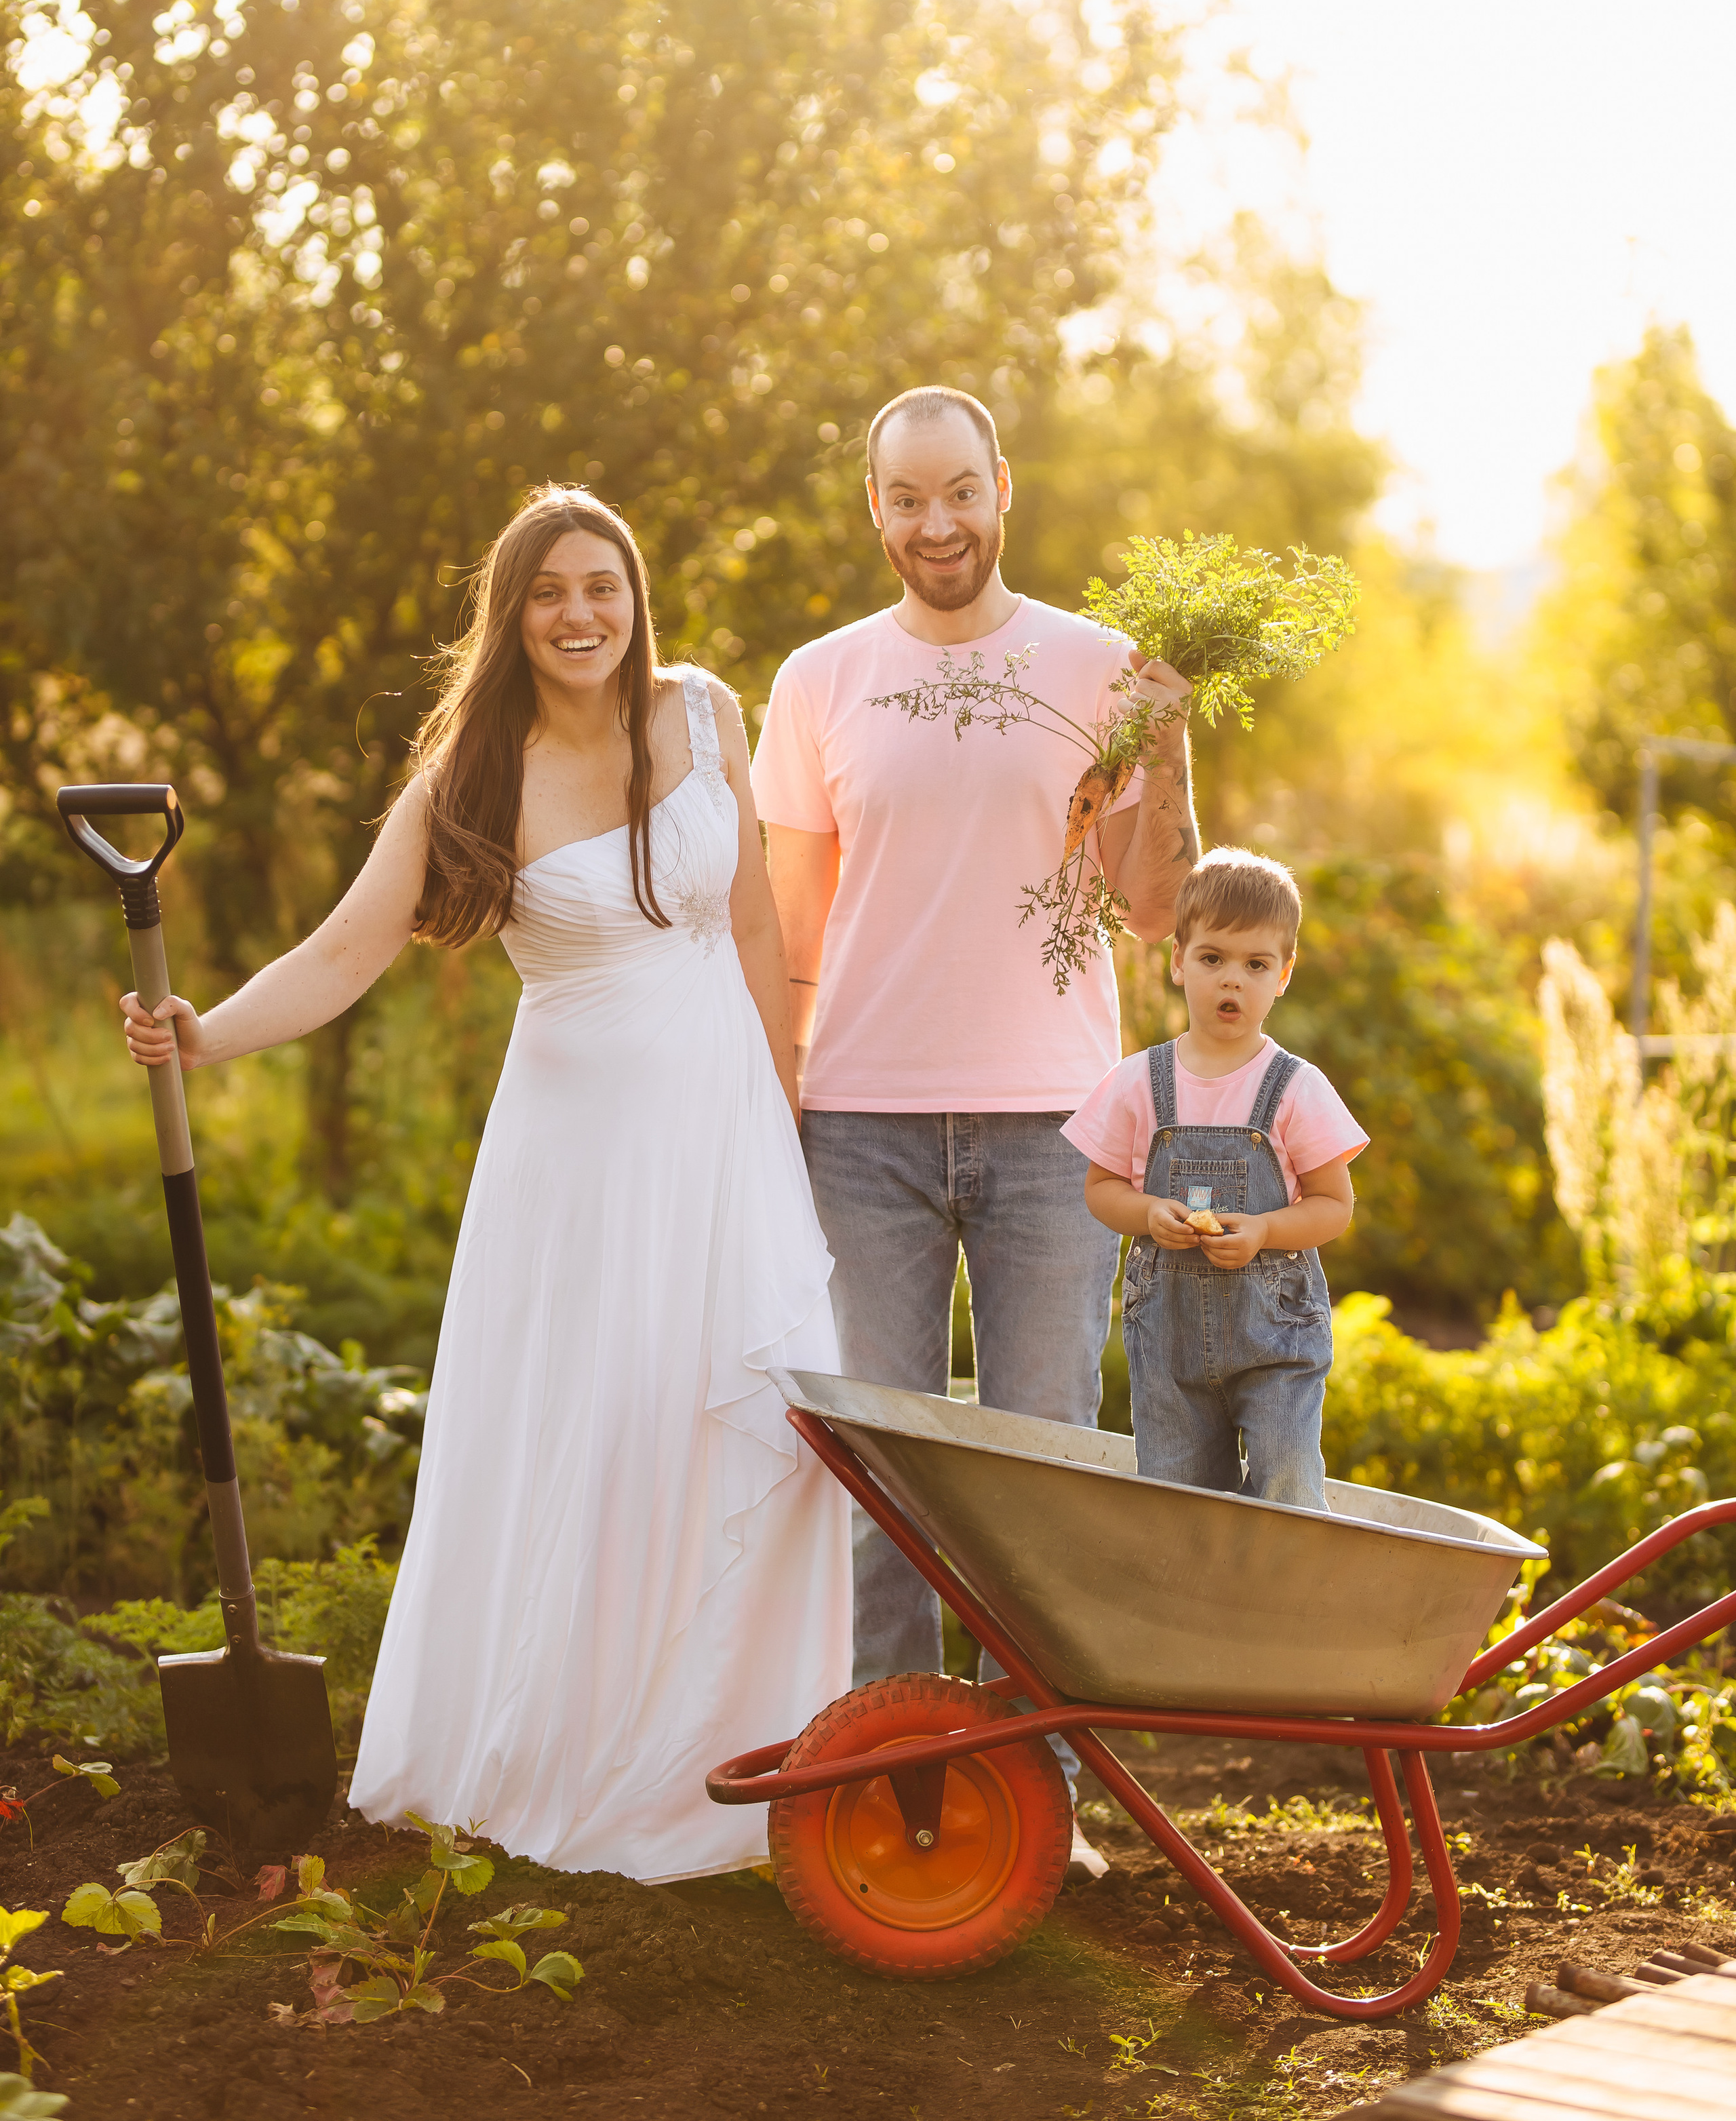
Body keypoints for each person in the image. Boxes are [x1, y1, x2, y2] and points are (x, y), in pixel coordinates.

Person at [118, 484, 850, 1881]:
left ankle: (742, 1752)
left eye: (603, 586)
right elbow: (344, 952)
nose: (581, 614)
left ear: (636, 599)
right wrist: (203, 1035)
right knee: (607, 1430)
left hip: (726, 1138)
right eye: (549, 592)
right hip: (579, 1165)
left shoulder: (704, 713)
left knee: (762, 1423)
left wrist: (783, 1116)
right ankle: (578, 1753)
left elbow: (752, 918)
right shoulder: (474, 773)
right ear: (511, 615)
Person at [752, 385, 1196, 1870]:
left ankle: (1033, 1810)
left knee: (1037, 1477)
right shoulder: (817, 682)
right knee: (886, 1478)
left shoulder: (1099, 666)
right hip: (858, 1130)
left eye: (957, 491)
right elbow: (790, 932)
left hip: (1046, 1132)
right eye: (903, 498)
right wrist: (771, 1094)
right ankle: (894, 1785)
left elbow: (1151, 907)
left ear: (1003, 485)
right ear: (869, 507)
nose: (933, 523)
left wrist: (1170, 743)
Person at [1064, 847, 1366, 1509]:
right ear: (1177, 961)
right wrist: (1146, 1214)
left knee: (1287, 1479)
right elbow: (1100, 1189)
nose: (1232, 981)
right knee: (1179, 1501)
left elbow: (1332, 1207)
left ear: (1283, 975)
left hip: (1273, 1337)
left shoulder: (1295, 1089)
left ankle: (1281, 1603)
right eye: (1212, 959)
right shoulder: (1138, 1083)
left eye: (1255, 965)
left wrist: (1264, 1229)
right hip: (1170, 1345)